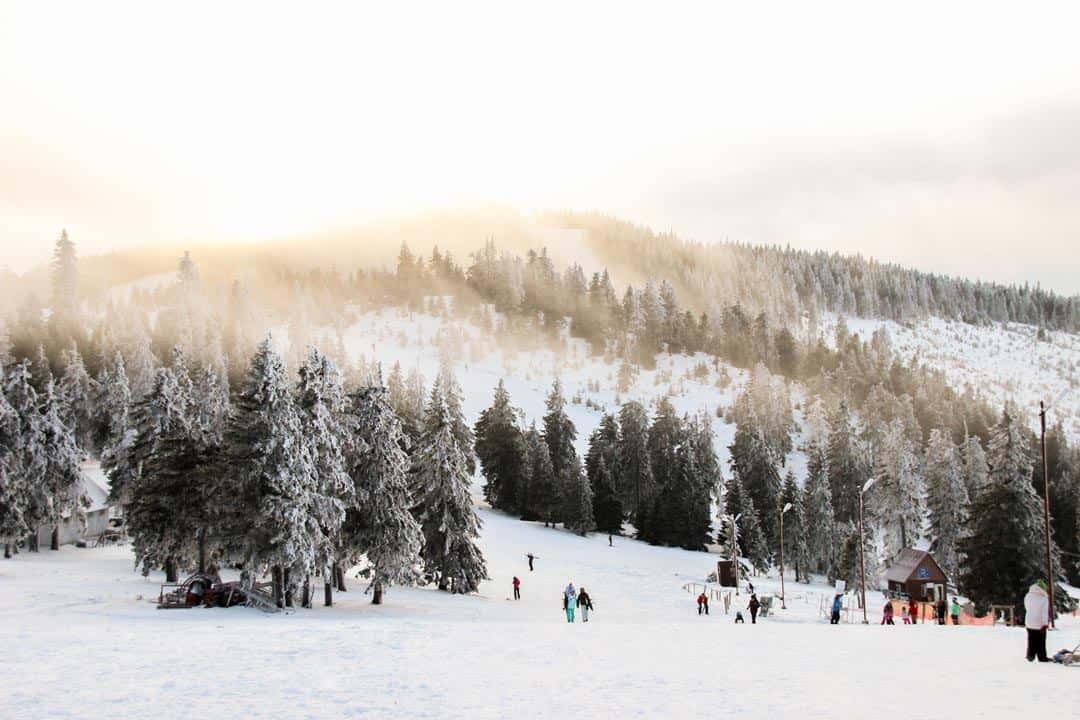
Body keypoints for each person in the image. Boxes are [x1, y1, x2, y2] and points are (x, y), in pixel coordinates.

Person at [1024, 580, 1050, 662]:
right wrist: (1045, 624)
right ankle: (1042, 657)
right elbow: (1044, 613)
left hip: (1029, 621)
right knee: (1041, 641)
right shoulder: (1044, 598)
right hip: (1039, 623)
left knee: (1031, 639)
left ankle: (1030, 655)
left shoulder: (1027, 596)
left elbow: (1027, 608)